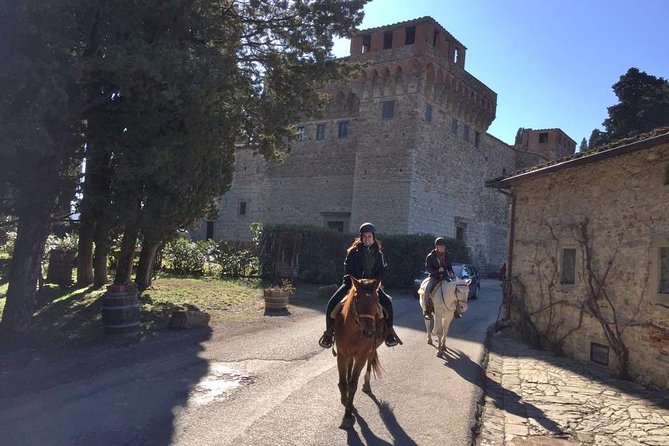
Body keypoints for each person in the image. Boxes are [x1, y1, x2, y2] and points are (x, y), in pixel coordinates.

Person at [318, 222, 400, 349]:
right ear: (361, 237)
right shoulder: (353, 252)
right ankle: (329, 334)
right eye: (364, 237)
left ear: (373, 237)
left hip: (372, 287)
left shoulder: (379, 254)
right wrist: (358, 281)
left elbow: (383, 271)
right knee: (332, 303)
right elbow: (348, 267)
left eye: (369, 237)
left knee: (388, 303)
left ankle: (389, 333)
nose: (367, 239)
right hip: (353, 285)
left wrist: (375, 282)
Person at [423, 237, 455, 319]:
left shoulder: (448, 255)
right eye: (440, 247)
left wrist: (451, 272)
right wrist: (437, 270)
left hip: (444, 277)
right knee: (427, 291)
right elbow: (427, 268)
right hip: (434, 277)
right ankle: (427, 311)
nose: (442, 248)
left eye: (443, 246)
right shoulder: (430, 256)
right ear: (436, 247)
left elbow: (449, 266)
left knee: (455, 289)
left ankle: (456, 310)